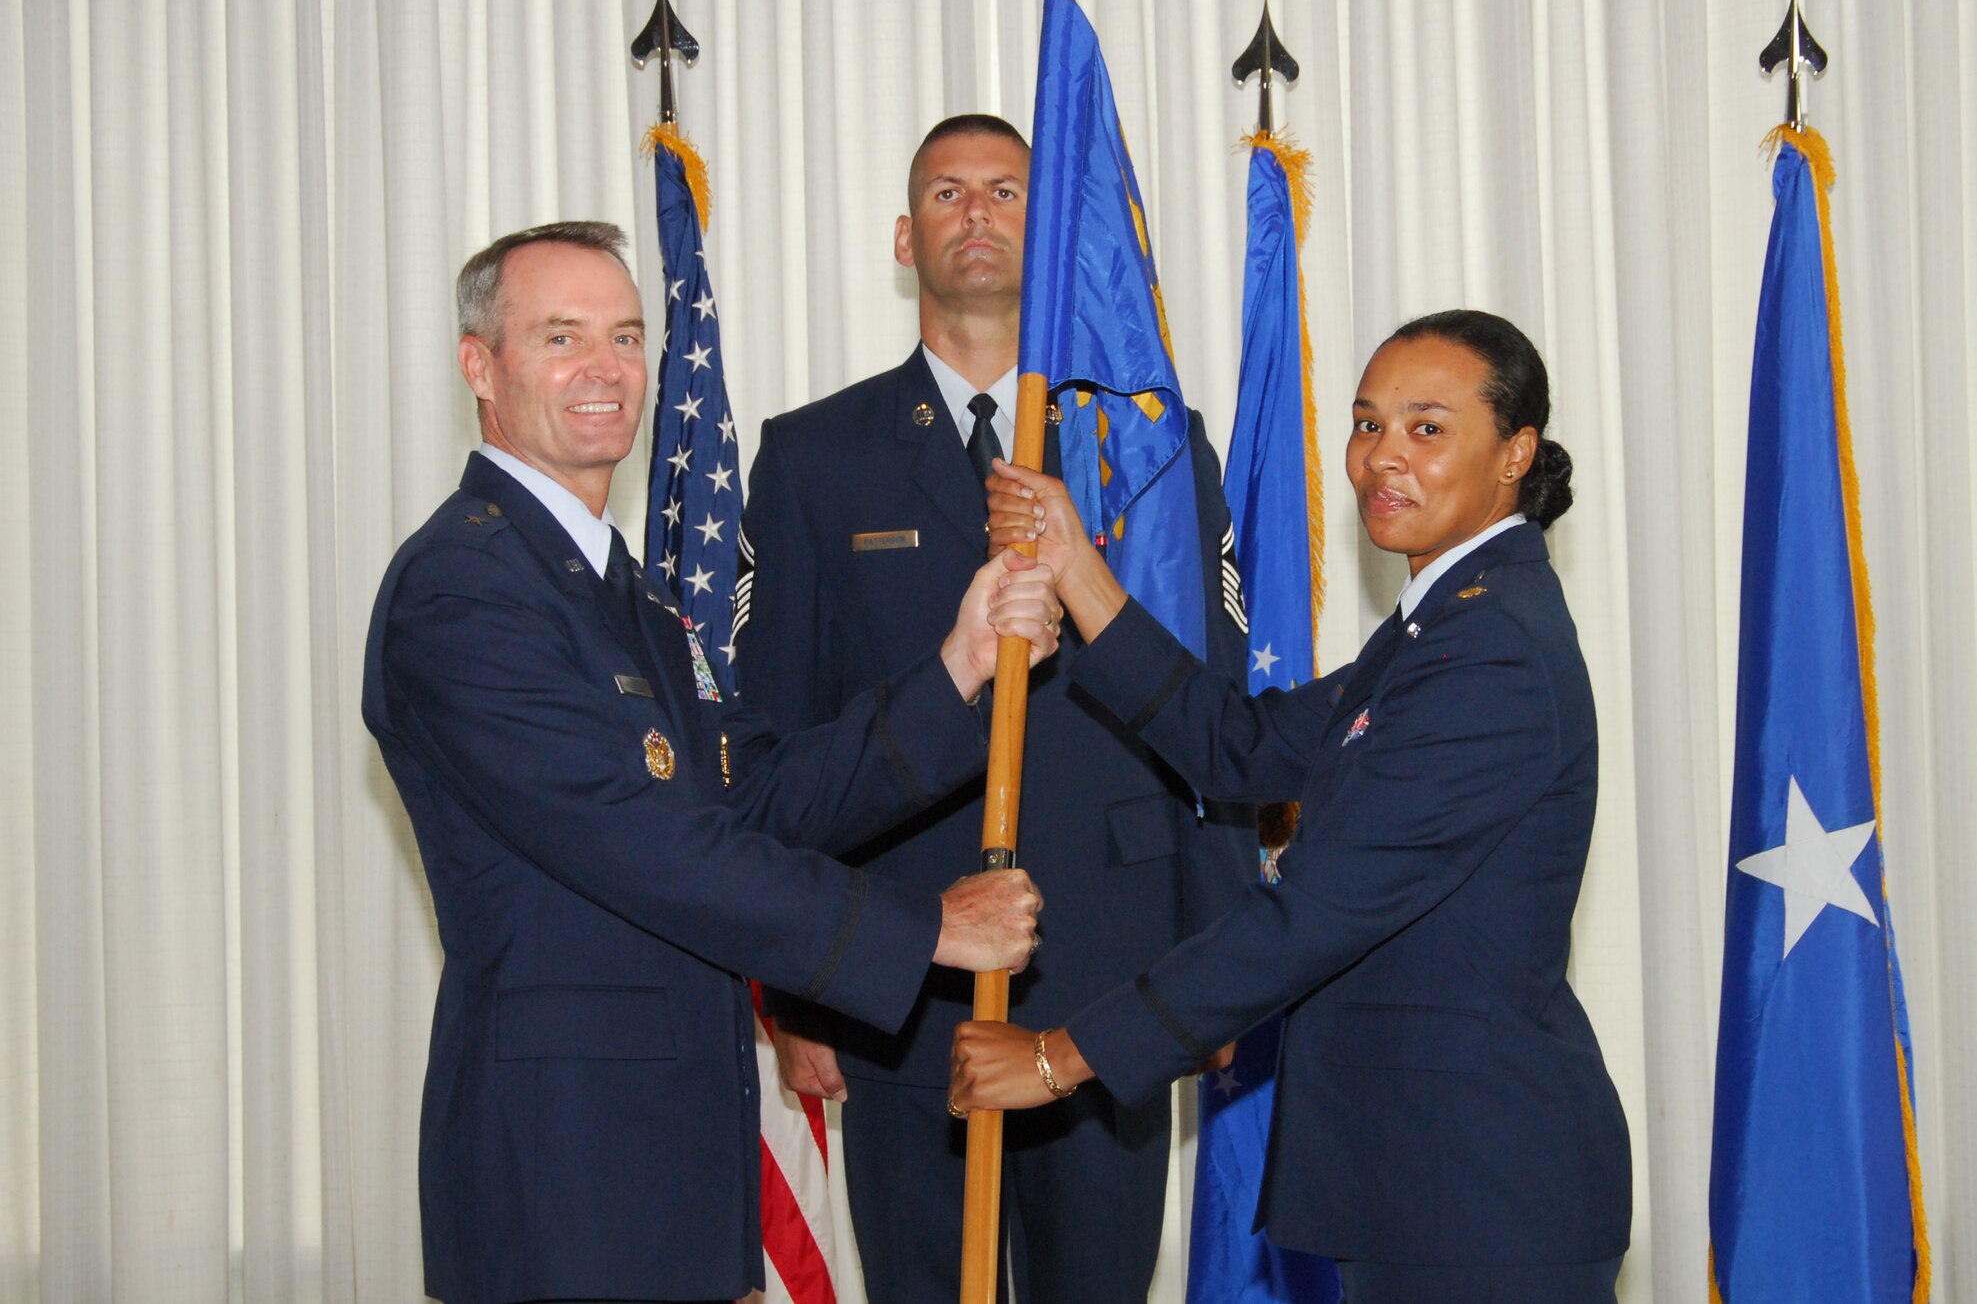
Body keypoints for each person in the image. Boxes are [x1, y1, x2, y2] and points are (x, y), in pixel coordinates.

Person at [362, 220, 1061, 1304]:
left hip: (678, 1161)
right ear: (479, 365)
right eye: (561, 337)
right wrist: (925, 929)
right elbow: (651, 845)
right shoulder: (466, 588)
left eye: (626, 337)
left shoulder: (618, 592)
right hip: (565, 1172)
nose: (606, 370)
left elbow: (758, 793)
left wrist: (957, 668)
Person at [958, 310, 1633, 1304]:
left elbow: (1311, 910)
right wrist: (1074, 567)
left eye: (1426, 427)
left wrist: (1061, 1058)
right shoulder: (1436, 628)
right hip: (1417, 1184)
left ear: (1514, 451)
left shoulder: (1485, 651)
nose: (1380, 460)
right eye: (1367, 425)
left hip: (1480, 1198)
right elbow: (1239, 746)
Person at [735, 116, 1258, 1302]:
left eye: (1007, 190)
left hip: (1113, 967)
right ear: (902, 236)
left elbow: (1217, 725)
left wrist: (1219, 962)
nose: (975, 213)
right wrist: (797, 985)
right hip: (898, 971)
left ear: (1051, 227)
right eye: (947, 192)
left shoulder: (1152, 447)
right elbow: (777, 740)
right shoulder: (811, 458)